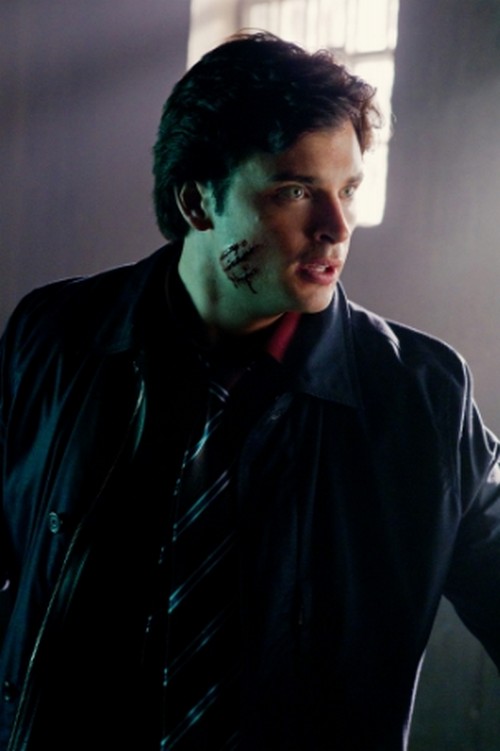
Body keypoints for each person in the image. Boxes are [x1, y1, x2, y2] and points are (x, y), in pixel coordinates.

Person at [0, 30, 499, 751]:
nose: (336, 227)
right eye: (295, 191)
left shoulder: (421, 396)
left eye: (348, 190)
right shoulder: (56, 339)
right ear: (197, 202)